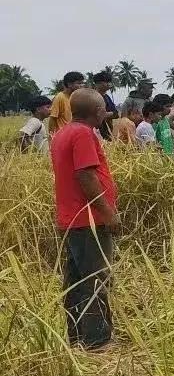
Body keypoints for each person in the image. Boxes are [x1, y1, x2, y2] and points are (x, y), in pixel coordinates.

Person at [50, 88, 119, 350]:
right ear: (98, 112)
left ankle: (77, 336)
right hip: (88, 220)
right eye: (103, 109)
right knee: (95, 279)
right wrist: (108, 214)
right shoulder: (82, 134)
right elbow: (86, 176)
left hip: (71, 219)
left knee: (76, 281)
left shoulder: (63, 132)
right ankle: (97, 340)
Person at [92, 70, 118, 140]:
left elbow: (116, 114)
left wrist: (105, 114)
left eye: (109, 82)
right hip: (96, 132)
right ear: (98, 83)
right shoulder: (92, 97)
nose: (109, 84)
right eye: (106, 82)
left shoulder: (107, 97)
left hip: (108, 132)